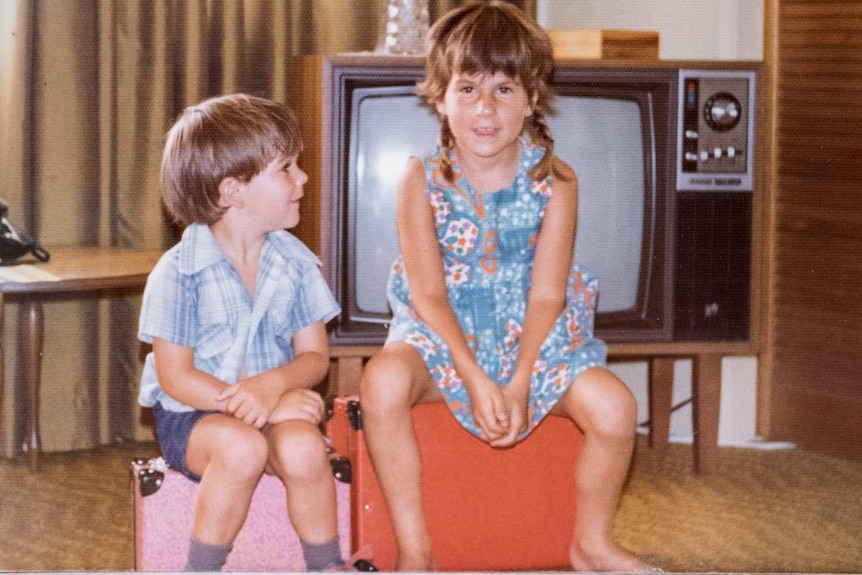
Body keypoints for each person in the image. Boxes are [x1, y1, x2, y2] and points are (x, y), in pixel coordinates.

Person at [359, 2, 659, 572]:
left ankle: (590, 543)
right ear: (440, 97)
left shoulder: (558, 180)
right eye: (468, 89)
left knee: (617, 408)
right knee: (382, 384)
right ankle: (416, 551)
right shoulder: (419, 179)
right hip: (444, 343)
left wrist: (519, 381)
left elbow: (548, 295)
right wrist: (473, 374)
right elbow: (426, 294)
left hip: (536, 344)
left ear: (532, 97)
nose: (486, 108)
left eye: (503, 89)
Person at [137, 94, 344, 572]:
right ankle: (201, 567)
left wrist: (272, 390)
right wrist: (262, 401)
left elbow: (314, 357)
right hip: (194, 417)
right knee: (242, 447)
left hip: (271, 404)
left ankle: (326, 563)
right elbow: (175, 377)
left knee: (304, 446)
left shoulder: (295, 264)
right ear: (233, 191)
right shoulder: (178, 273)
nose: (303, 179)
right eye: (287, 169)